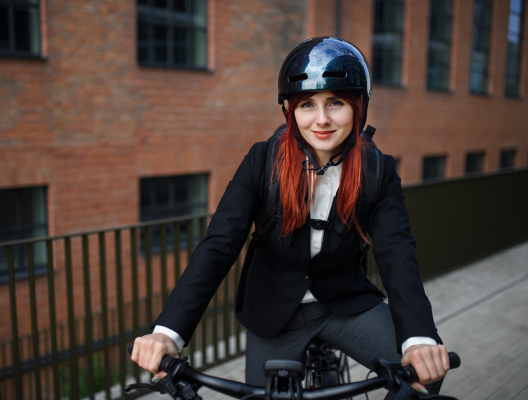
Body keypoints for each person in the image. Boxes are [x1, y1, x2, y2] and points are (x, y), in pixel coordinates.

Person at [131, 37, 449, 398]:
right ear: (290, 112)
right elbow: (219, 244)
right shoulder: (262, 160)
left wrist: (419, 339)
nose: (322, 119)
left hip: (344, 304)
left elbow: (398, 253)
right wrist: (167, 332)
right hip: (273, 313)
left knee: (424, 376)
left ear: (358, 108)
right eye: (307, 105)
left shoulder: (379, 171)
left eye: (336, 103)